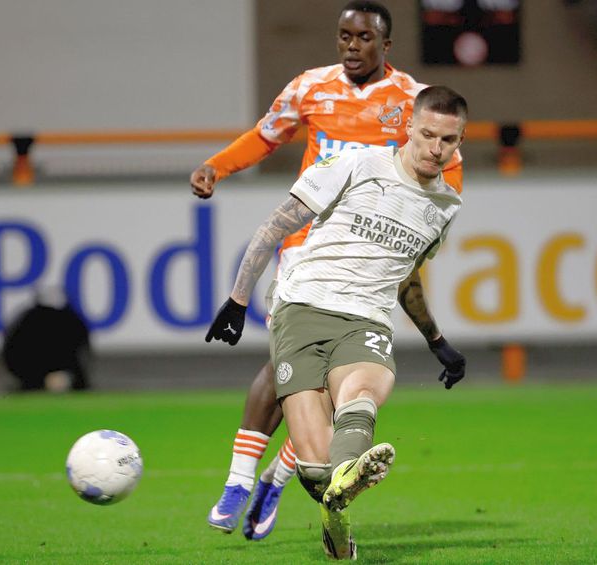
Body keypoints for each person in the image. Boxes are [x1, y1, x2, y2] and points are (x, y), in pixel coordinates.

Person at [191, 0, 463, 539]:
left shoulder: (411, 99)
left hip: (371, 250)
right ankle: (241, 480)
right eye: (344, 37)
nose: (351, 47)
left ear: (386, 45)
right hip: (307, 244)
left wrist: (436, 212)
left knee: (338, 394)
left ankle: (279, 474)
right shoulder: (309, 87)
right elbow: (267, 135)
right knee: (285, 368)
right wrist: (216, 166)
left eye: (363, 38)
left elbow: (444, 165)